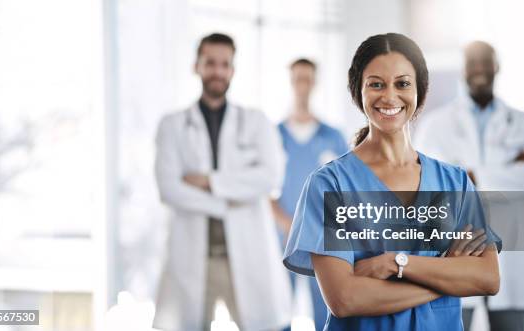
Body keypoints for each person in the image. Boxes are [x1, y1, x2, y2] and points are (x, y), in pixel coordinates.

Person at [283, 33, 502, 331]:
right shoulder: (330, 185)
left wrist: (396, 262)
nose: (389, 96)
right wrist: (448, 276)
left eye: (402, 83)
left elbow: (487, 278)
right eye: (376, 84)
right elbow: (344, 298)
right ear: (357, 91)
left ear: (420, 91)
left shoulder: (455, 183)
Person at [153, 33, 291, 331]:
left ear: (232, 70)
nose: (217, 71)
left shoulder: (257, 122)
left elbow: (270, 177)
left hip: (246, 253)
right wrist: (233, 199)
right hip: (193, 257)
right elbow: (169, 189)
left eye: (224, 64)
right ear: (197, 66)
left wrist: (209, 181)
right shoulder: (173, 125)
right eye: (210, 63)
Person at [414, 41, 524, 331]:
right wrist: (506, 169)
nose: (480, 69)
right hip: (455, 247)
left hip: (513, 250)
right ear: (463, 69)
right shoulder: (435, 126)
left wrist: (471, 175)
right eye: (473, 61)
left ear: (497, 66)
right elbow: (433, 185)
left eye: (486, 61)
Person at [271, 58, 348, 331]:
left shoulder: (333, 137)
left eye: (307, 78)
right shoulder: (273, 136)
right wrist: (289, 225)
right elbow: (263, 189)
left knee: (328, 312)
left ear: (315, 83)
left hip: (322, 239)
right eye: (297, 79)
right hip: (282, 236)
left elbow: (344, 192)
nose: (302, 85)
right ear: (290, 82)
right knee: (279, 314)